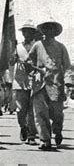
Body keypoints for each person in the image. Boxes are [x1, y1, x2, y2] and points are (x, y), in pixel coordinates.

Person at [27, 18, 71, 150]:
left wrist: (69, 83)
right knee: (40, 113)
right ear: (42, 30)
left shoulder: (61, 47)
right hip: (39, 84)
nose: (48, 31)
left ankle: (57, 130)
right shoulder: (37, 46)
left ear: (55, 31)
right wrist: (29, 67)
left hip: (56, 84)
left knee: (57, 114)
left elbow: (67, 67)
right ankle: (45, 140)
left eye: (51, 28)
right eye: (46, 28)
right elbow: (30, 62)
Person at [10, 20, 38, 145]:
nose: (27, 33)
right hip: (20, 81)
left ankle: (32, 135)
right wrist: (13, 59)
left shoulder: (38, 46)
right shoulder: (17, 47)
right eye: (25, 31)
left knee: (32, 110)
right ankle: (23, 127)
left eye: (30, 31)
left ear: (33, 33)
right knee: (21, 110)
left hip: (35, 81)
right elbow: (10, 63)